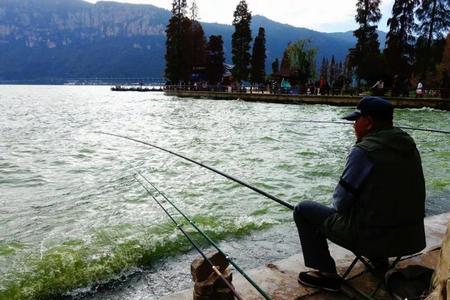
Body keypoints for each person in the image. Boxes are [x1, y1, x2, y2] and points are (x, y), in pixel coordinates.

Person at [293, 96, 426, 292]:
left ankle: (327, 274)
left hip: (372, 239)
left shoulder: (363, 151)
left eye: (357, 120)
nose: (354, 125)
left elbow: (340, 203)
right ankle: (379, 260)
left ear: (369, 123)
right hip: (411, 238)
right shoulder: (409, 145)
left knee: (303, 210)